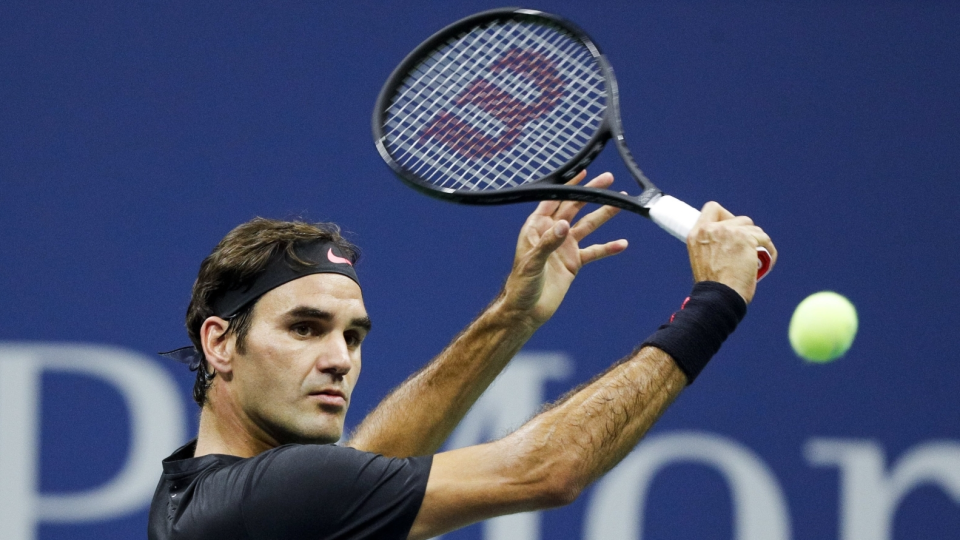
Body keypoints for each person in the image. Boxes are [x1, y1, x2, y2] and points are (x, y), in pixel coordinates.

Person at [148, 171, 777, 540]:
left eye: (353, 335)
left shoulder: (188, 492)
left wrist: (512, 315)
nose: (339, 358)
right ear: (220, 342)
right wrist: (716, 299)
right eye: (306, 329)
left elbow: (361, 473)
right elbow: (548, 470)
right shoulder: (278, 492)